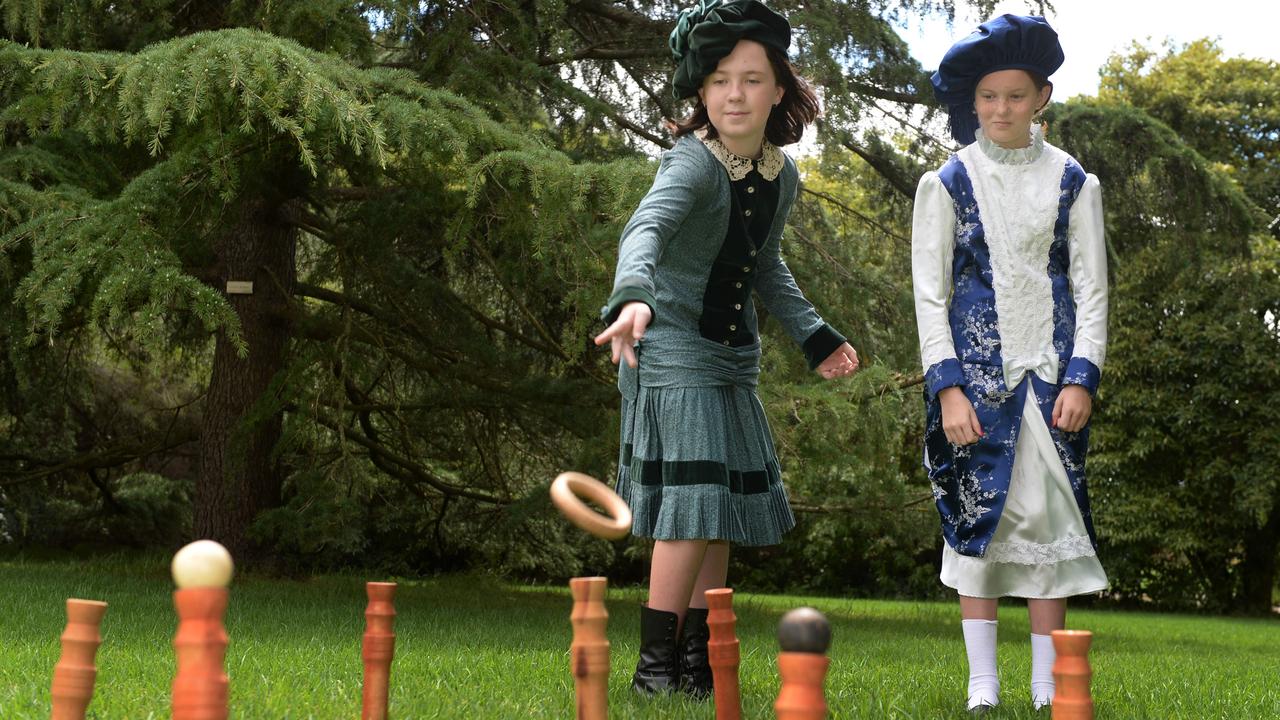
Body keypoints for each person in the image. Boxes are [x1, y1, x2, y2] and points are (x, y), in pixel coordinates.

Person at [593, 0, 860, 698]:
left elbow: (767, 266)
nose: (734, 94)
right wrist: (634, 297)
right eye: (718, 80)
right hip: (673, 350)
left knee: (716, 516)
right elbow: (644, 229)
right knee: (689, 511)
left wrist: (816, 336)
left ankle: (696, 667)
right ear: (700, 92)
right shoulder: (691, 164)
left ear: (780, 89)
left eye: (750, 78)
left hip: (732, 358)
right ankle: (654, 672)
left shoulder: (782, 176)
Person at [911, 14, 1109, 713]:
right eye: (989, 97)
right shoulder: (948, 182)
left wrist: (1083, 374)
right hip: (976, 386)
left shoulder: (1073, 183)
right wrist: (948, 390)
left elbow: (1090, 288)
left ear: (1042, 97)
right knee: (979, 524)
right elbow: (930, 294)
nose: (1001, 109)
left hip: (1052, 381)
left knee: (1048, 521)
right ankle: (982, 682)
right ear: (973, 102)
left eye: (1016, 95)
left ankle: (1045, 683)